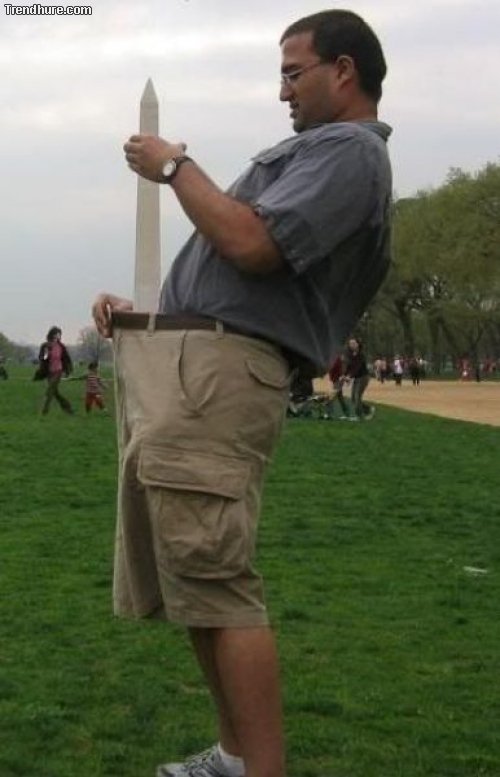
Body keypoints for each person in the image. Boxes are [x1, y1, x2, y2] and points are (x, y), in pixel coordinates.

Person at [92, 10, 392, 777]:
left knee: (219, 582)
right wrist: (146, 317)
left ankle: (260, 768)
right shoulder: (319, 151)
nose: (282, 90)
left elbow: (253, 243)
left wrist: (175, 167)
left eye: (293, 72)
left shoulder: (351, 152)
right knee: (196, 579)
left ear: (345, 71)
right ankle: (233, 757)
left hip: (220, 380)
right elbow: (238, 283)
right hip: (197, 370)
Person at [35, 326, 74, 415]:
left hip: (58, 371)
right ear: (52, 334)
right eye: (56, 334)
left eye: (59, 334)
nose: (58, 335)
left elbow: (66, 358)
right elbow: (43, 358)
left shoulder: (61, 346)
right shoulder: (46, 345)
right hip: (49, 371)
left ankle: (44, 411)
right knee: (54, 392)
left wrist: (68, 370)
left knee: (50, 390)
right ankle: (67, 406)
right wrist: (46, 354)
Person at [343, 337, 375, 420]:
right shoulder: (351, 355)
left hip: (363, 377)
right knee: (353, 398)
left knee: (357, 396)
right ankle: (368, 409)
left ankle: (359, 416)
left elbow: (357, 367)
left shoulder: (361, 355)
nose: (352, 345)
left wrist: (349, 376)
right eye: (350, 344)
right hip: (357, 378)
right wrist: (345, 375)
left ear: (358, 344)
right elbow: (349, 367)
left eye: (354, 343)